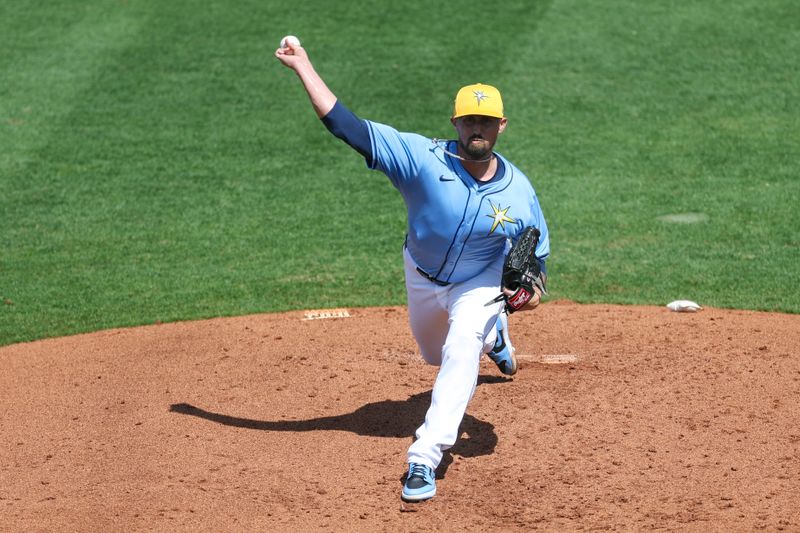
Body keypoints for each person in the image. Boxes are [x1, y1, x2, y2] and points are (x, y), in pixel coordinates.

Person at [275, 41, 549, 502]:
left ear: (501, 125)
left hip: (479, 282)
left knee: (460, 348)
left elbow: (537, 266)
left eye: (486, 121)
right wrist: (304, 66)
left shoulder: (520, 193)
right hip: (421, 275)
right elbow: (347, 126)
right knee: (434, 354)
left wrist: (530, 295)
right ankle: (494, 336)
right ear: (455, 123)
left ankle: (423, 458)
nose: (477, 129)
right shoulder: (421, 158)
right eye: (469, 120)